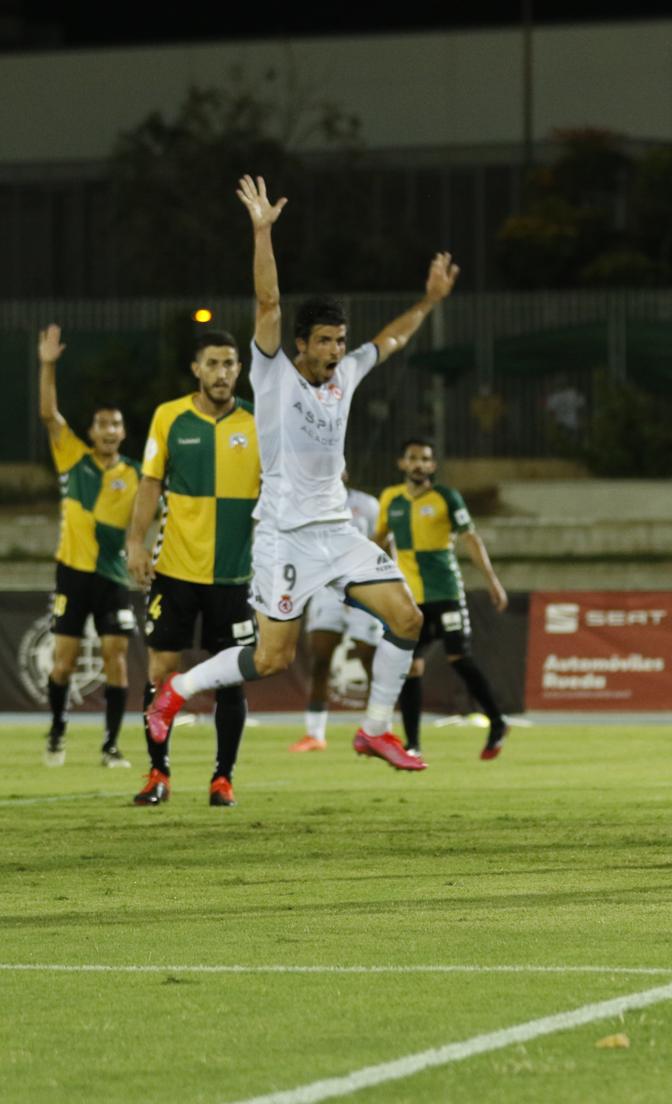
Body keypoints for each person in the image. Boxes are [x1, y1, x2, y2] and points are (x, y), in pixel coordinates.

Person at [143, 175, 457, 775]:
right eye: (325, 342)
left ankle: (374, 732)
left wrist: (430, 302)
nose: (337, 351)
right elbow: (267, 302)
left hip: (336, 532)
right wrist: (262, 232)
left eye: (340, 341)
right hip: (284, 536)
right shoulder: (271, 376)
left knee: (409, 619)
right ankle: (177, 691)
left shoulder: (346, 375)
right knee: (271, 659)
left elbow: (389, 339)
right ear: (301, 345)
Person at [124, 330, 260, 807]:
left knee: (231, 677)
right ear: (196, 369)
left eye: (230, 364)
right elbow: (149, 483)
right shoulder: (169, 416)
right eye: (213, 364)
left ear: (239, 370)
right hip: (176, 570)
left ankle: (223, 779)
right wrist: (135, 542)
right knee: (161, 670)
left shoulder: (258, 420)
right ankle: (157, 774)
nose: (222, 373)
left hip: (234, 574)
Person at [36, 324, 139, 769]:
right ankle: (58, 731)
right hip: (72, 572)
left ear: (123, 431)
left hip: (113, 576)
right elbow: (48, 415)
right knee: (64, 662)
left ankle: (111, 745)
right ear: (92, 430)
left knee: (117, 658)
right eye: (102, 424)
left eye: (116, 423)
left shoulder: (137, 474)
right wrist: (47, 365)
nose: (109, 430)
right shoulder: (72, 457)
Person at [376, 438, 511, 760]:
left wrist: (492, 581)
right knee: (410, 667)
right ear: (402, 463)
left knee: (458, 658)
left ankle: (497, 721)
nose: (419, 464)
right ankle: (413, 744)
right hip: (411, 600)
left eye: (425, 459)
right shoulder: (391, 499)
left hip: (446, 593)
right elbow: (378, 541)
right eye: (413, 458)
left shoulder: (446, 498)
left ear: (432, 466)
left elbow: (471, 538)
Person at [290, 474, 384, 752]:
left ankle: (378, 730)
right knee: (320, 658)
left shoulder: (367, 505)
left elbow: (381, 543)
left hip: (364, 590)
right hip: (326, 590)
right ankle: (315, 734)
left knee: (371, 659)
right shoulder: (308, 505)